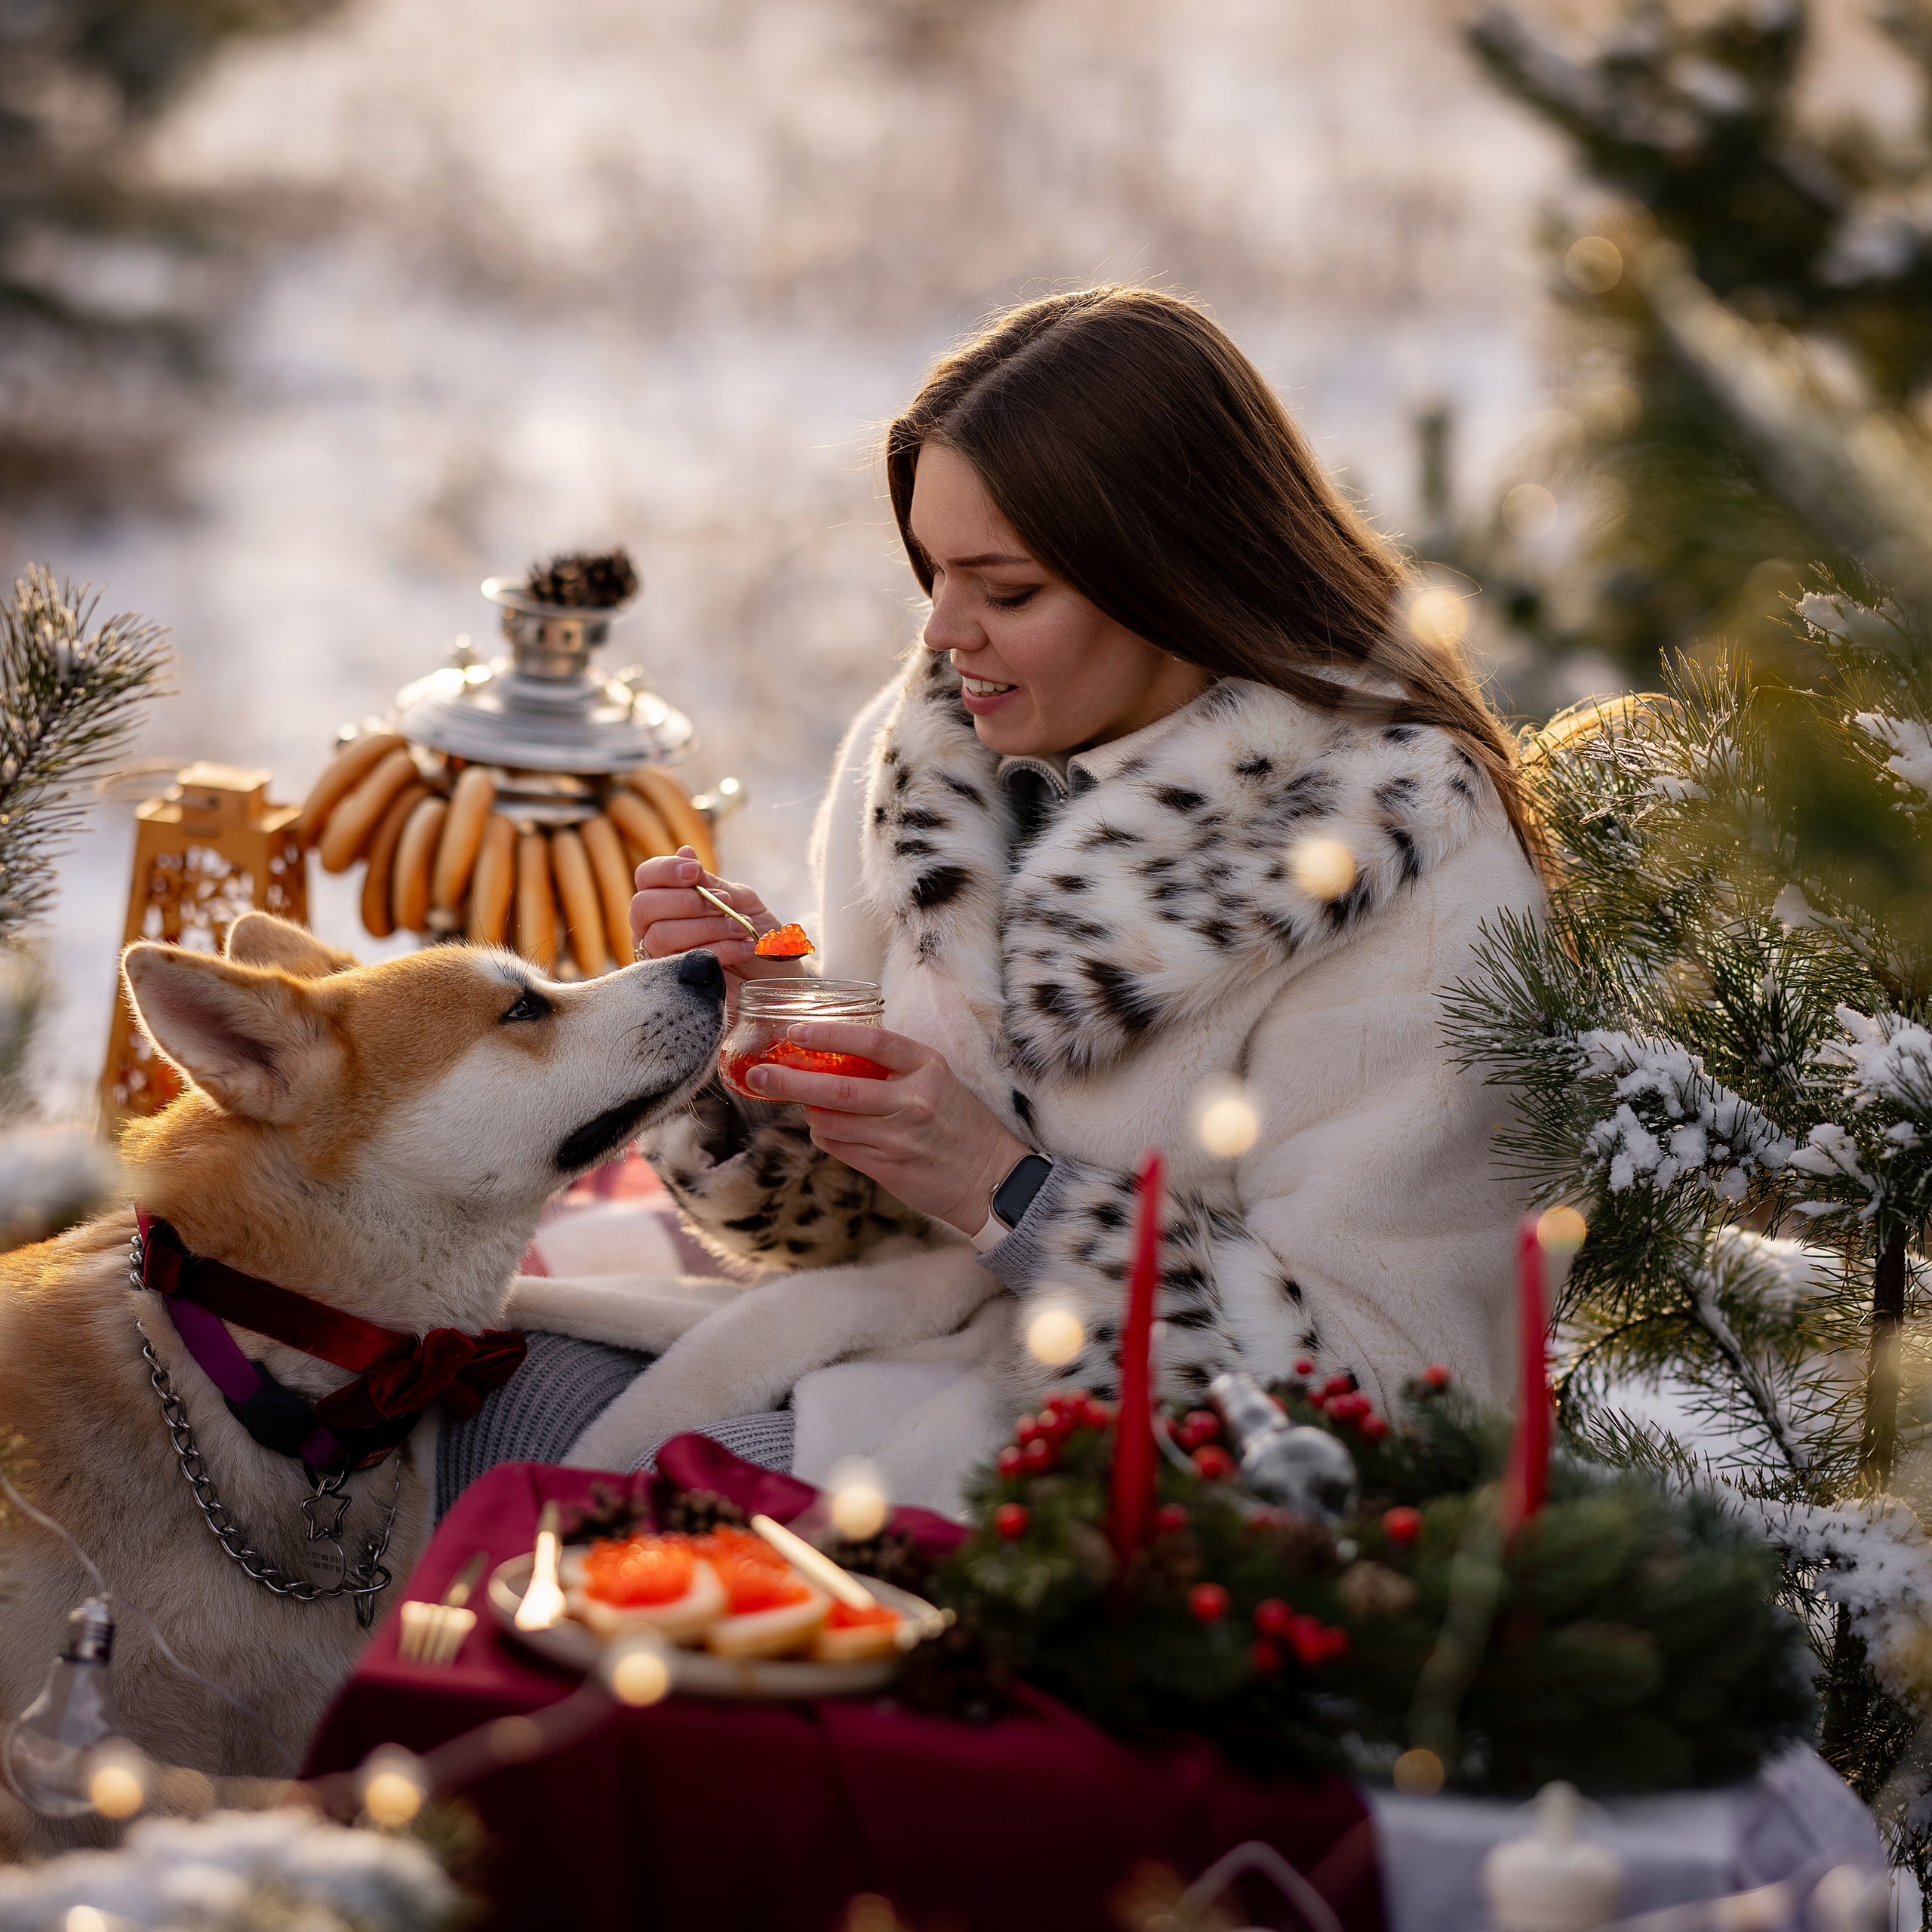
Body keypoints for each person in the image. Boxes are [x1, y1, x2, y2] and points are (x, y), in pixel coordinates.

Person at [600, 285, 1541, 1513]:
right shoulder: (936, 756)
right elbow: (859, 1226)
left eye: (1006, 591)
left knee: (520, 1492)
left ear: (1172, 576)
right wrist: (759, 1035)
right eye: (935, 572)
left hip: (1136, 1509)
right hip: (883, 1358)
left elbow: (1399, 1414)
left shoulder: (1398, 870)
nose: (945, 632)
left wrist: (1008, 1193)